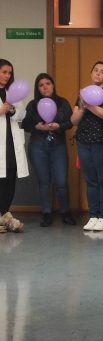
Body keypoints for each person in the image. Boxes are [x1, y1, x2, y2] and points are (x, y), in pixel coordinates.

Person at [22, 73, 75, 227]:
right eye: (41, 85)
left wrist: (59, 126)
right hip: (38, 146)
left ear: (53, 85)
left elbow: (70, 122)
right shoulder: (32, 104)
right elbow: (25, 124)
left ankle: (66, 212)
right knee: (44, 181)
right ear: (37, 88)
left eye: (48, 83)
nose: (45, 87)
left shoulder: (63, 102)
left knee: (61, 181)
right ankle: (46, 213)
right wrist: (37, 127)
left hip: (58, 145)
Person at [71, 61, 103, 232]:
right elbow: (73, 120)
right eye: (96, 70)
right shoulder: (84, 92)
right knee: (90, 181)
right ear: (91, 73)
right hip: (83, 141)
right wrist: (83, 106)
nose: (98, 73)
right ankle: (93, 215)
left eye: (102, 71)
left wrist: (90, 105)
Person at [0, 59, 28, 229]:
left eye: (9, 73)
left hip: (11, 144)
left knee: (10, 180)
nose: (7, 76)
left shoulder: (13, 92)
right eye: (4, 72)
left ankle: (4, 213)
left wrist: (12, 110)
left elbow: (22, 114)